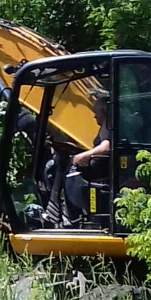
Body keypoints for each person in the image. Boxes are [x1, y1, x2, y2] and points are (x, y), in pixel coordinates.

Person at [65, 91, 111, 222]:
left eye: (96, 112)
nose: (94, 116)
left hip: (102, 169)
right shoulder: (107, 126)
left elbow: (105, 148)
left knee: (70, 174)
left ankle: (70, 217)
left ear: (103, 110)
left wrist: (80, 157)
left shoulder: (109, 126)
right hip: (100, 166)